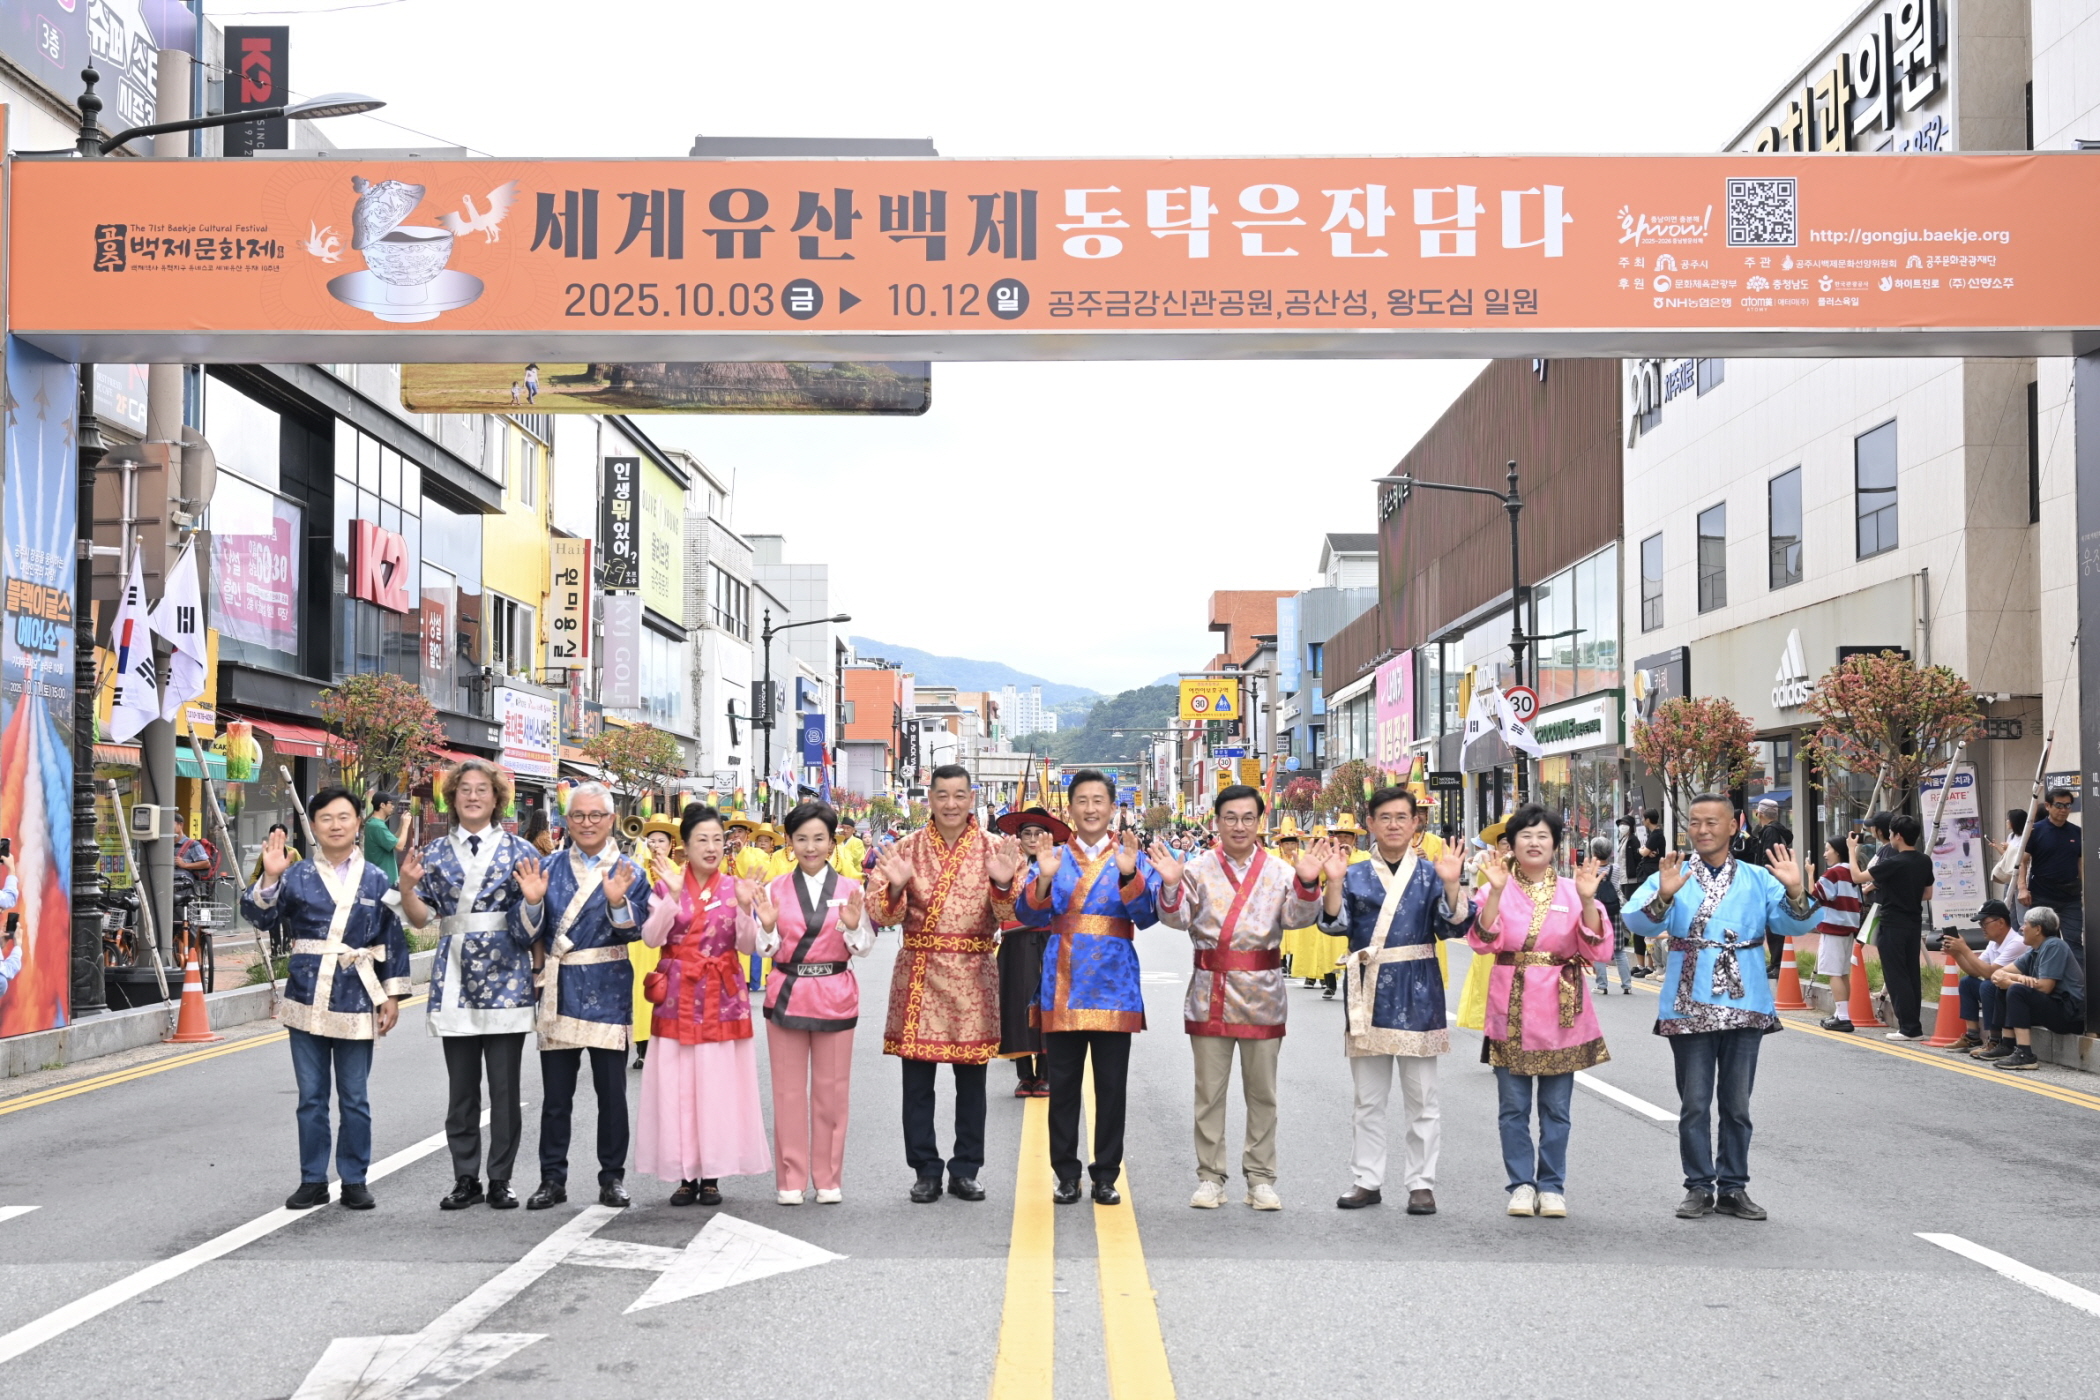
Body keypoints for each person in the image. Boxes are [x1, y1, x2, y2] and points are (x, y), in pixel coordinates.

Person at [1624, 793, 1818, 1222]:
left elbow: (1795, 922)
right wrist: (1663, 897)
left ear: (1734, 826)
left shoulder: (1756, 877)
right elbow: (1635, 919)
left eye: (1712, 822)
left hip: (1745, 999)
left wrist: (1795, 889)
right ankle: (1698, 1185)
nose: (1703, 829)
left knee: (1737, 1104)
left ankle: (1733, 1187)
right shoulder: (1673, 873)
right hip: (1689, 1000)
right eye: (1695, 822)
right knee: (1694, 1103)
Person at [1152, 785, 1325, 1211]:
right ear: (1217, 821)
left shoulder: (1280, 871)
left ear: (1259, 821)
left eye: (1248, 817)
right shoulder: (1196, 869)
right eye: (1230, 817)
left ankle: (1261, 1178)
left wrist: (1307, 883)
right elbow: (1177, 919)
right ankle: (1210, 1177)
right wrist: (1171, 886)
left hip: (1263, 992)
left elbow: (1298, 918)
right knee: (1208, 1093)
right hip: (1209, 991)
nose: (1239, 826)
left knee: (1263, 1093)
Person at [241, 787, 411, 1211]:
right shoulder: (295, 875)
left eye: (344, 817)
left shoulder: (377, 878)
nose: (336, 825)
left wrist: (391, 996)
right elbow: (260, 918)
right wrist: (270, 878)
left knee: (355, 1097)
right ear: (314, 827)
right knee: (311, 1097)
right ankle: (313, 1179)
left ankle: (354, 1178)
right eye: (326, 819)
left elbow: (391, 937)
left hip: (357, 996)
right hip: (305, 995)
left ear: (358, 823)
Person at [867, 764, 1024, 1205]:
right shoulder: (905, 849)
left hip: (974, 972)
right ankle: (925, 1169)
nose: (951, 804)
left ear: (972, 798)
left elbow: (1014, 914)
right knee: (917, 1081)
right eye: (942, 795)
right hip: (919, 970)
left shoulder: (996, 849)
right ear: (929, 799)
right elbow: (880, 914)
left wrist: (1003, 883)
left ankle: (966, 1168)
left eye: (959, 795)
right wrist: (895, 888)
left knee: (971, 1081)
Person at [1315, 786, 1471, 1216]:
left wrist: (1452, 883)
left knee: (1422, 1097)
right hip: (1368, 989)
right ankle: (1366, 1179)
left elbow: (1453, 927)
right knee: (1368, 1097)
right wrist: (1332, 882)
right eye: (1384, 817)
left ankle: (1421, 1183)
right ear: (1370, 824)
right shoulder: (1353, 874)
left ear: (1415, 822)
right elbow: (1333, 925)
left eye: (1402, 817)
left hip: (1419, 989)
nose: (1394, 825)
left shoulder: (1431, 873)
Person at [397, 759, 541, 1212]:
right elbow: (420, 919)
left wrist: (534, 903)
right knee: (461, 1090)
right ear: (453, 798)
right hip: (455, 974)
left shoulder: (521, 851)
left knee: (505, 1088)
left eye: (482, 789)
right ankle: (465, 1177)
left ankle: (501, 1178)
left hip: (508, 973)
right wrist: (406, 888)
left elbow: (534, 921)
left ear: (497, 798)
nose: (473, 796)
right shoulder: (433, 853)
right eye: (465, 790)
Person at [1015, 768, 1158, 1206]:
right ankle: (1065, 1173)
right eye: (1082, 801)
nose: (1091, 809)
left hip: (1116, 983)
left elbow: (1147, 916)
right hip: (1064, 981)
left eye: (1099, 801)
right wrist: (1042, 879)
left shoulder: (1130, 855)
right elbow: (1029, 915)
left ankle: (1106, 1175)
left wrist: (1130, 876)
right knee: (1062, 1086)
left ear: (1113, 808)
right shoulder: (1053, 857)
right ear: (1070, 809)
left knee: (1112, 1089)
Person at [1471, 807, 1613, 1219]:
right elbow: (1482, 942)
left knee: (1557, 1108)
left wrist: (1588, 901)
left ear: (1555, 845)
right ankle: (1520, 1184)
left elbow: (1598, 948)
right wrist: (1494, 894)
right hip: (1511, 1002)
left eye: (1543, 836)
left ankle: (1551, 1186)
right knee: (1513, 1106)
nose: (1534, 843)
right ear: (1512, 844)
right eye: (1526, 836)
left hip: (1561, 1006)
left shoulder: (1573, 889)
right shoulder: (1495, 887)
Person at [520, 782, 649, 1210]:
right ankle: (551, 1178)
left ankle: (612, 1177)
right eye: (578, 815)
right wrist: (532, 904)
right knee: (556, 1097)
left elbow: (638, 931)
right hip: (559, 988)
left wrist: (618, 904)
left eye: (596, 815)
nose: (587, 823)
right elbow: (524, 932)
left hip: (609, 988)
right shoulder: (548, 867)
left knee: (611, 1094)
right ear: (567, 820)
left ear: (612, 820)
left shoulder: (630, 871)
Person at [634, 804, 770, 1206]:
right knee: (677, 1086)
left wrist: (745, 908)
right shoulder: (667, 884)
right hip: (678, 996)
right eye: (702, 840)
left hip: (722, 995)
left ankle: (711, 1173)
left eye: (717, 839)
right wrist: (673, 897)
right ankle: (684, 1173)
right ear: (686, 845)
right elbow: (651, 938)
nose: (711, 848)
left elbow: (747, 945)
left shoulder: (735, 887)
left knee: (717, 1085)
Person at [753, 801, 873, 1205]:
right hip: (787, 992)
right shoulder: (774, 889)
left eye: (818, 838)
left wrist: (853, 928)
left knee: (832, 1092)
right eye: (801, 838)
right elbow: (764, 948)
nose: (810, 847)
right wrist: (767, 927)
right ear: (789, 842)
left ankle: (828, 1178)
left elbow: (864, 947)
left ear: (832, 842)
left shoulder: (851, 889)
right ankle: (790, 1179)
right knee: (787, 1092)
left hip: (835, 993)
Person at [991, 805, 1071, 1097]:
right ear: (1019, 838)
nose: (1033, 839)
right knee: (1018, 1005)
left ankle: (1046, 1073)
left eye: (1040, 833)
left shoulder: (1063, 864)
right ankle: (1025, 1075)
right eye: (1027, 833)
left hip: (1052, 939)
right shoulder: (1008, 864)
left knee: (1050, 1004)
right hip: (1016, 942)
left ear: (1049, 837)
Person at [1859, 813, 1934, 1041]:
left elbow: (1857, 877)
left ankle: (1908, 1028)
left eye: (1891, 833)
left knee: (1896, 975)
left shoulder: (1893, 862)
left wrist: (1852, 850)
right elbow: (1928, 893)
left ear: (1898, 836)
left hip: (1892, 922)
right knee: (1911, 973)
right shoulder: (1924, 860)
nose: (1890, 837)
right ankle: (1914, 1027)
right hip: (1913, 922)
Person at [1985, 906, 2086, 1071]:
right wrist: (2016, 978)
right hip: (2052, 1008)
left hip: (2068, 1015)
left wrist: (2012, 981)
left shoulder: (2054, 945)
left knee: (2016, 990)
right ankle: (2008, 1045)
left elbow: (2045, 987)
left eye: (2025, 924)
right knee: (2004, 987)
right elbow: (1998, 973)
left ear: (2038, 929)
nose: (2021, 928)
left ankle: (2025, 1054)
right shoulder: (2034, 950)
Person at [1938, 901, 2026, 1057]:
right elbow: (1974, 971)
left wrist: (1964, 948)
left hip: (2016, 997)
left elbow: (1990, 973)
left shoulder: (2017, 943)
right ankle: (1972, 1036)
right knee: (1967, 982)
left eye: (1985, 923)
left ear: (2001, 922)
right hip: (2000, 992)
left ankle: (1995, 1040)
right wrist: (1957, 954)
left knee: (1988, 985)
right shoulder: (1993, 943)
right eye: (1980, 924)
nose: (1982, 927)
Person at [631, 813, 683, 1069]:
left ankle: (660, 1044)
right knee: (638, 993)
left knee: (662, 991)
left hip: (664, 939)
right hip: (638, 940)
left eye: (661, 841)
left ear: (671, 844)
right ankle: (641, 1047)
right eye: (651, 840)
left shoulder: (676, 871)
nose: (656, 845)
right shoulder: (636, 865)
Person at [2017, 788, 2082, 953]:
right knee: (2044, 942)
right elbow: (2022, 861)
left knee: (2074, 942)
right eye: (2059, 805)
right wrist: (2022, 888)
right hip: (2042, 895)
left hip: (2070, 898)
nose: (2063, 810)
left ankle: (2076, 971)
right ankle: (2046, 970)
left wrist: (2086, 891)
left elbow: (2081, 863)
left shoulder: (2077, 832)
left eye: (2067, 805)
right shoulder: (2035, 830)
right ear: (2047, 806)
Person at [1812, 834, 1864, 1032]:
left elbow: (1816, 895)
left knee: (1833, 973)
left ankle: (1842, 1017)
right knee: (1842, 973)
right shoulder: (1853, 871)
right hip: (1849, 927)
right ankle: (1841, 1013)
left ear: (1838, 851)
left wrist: (1810, 875)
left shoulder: (1833, 873)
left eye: (1828, 850)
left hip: (1833, 927)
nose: (1825, 854)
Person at [1587, 836, 1632, 995]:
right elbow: (1617, 887)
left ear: (1594, 852)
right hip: (1613, 910)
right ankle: (1627, 985)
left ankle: (1602, 986)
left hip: (1596, 912)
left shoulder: (1590, 870)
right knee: (1619, 950)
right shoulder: (1616, 869)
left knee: (1598, 948)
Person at [362, 792, 404, 884]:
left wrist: (402, 824)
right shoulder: (378, 826)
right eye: (390, 803)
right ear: (382, 805)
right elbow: (399, 846)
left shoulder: (373, 823)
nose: (393, 806)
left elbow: (393, 840)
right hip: (383, 881)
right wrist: (406, 825)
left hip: (378, 879)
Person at [832, 816, 868, 881]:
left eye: (848, 828)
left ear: (853, 830)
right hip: (839, 876)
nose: (845, 831)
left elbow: (856, 859)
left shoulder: (858, 842)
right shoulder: (837, 842)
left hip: (854, 875)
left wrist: (840, 860)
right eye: (843, 828)